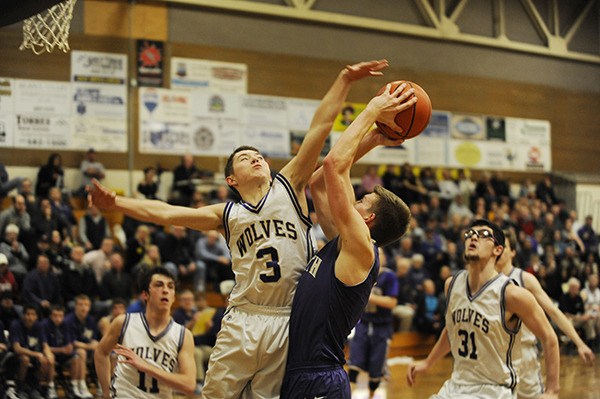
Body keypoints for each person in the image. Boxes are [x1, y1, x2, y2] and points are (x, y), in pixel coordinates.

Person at [88, 59, 391, 398]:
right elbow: (168, 213)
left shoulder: (289, 184)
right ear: (231, 179)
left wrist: (344, 79)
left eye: (259, 155)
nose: (256, 158)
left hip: (285, 320)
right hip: (244, 317)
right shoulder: (226, 213)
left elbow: (320, 128)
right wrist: (117, 204)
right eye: (246, 158)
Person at [280, 82, 414, 398]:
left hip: (320, 377)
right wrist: (374, 138)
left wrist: (372, 110)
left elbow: (332, 165)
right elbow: (319, 184)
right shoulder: (344, 244)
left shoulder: (361, 247)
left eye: (362, 201)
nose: (354, 202)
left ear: (368, 219)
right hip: (300, 372)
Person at [407, 219, 560, 399]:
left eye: (483, 235)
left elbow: (549, 338)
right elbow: (452, 330)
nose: (474, 238)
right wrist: (427, 363)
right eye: (470, 234)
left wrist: (552, 390)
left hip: (494, 389)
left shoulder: (512, 295)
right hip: (456, 385)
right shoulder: (452, 284)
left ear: (498, 250)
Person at [499, 229, 594, 399]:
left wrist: (579, 343)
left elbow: (554, 312)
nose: (497, 250)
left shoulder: (524, 279)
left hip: (524, 356)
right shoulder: (486, 282)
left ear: (512, 251)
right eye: (495, 246)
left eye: (503, 246)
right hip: (497, 356)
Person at [94, 267, 196, 398]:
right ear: (145, 294)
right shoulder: (124, 322)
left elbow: (189, 385)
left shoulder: (183, 335)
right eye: (159, 285)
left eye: (170, 287)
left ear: (174, 296)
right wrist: (106, 392)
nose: (165, 290)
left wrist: (146, 367)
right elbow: (101, 352)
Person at [348, 248, 399, 399]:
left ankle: (371, 395)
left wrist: (368, 296)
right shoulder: (363, 272)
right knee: (354, 365)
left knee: (376, 370)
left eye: (380, 253)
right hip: (363, 324)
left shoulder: (389, 276)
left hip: (381, 327)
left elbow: (392, 302)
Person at [8, 304, 54, 399]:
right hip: (15, 356)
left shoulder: (39, 326)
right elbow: (17, 348)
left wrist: (49, 354)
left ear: (36, 316)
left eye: (33, 314)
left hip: (34, 355)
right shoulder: (16, 325)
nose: (30, 317)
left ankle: (35, 388)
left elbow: (44, 344)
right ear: (23, 315)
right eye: (28, 314)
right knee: (25, 359)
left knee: (46, 360)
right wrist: (37, 354)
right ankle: (19, 389)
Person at [42, 305, 87, 399]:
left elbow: (70, 342)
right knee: (50, 357)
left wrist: (69, 347)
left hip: (64, 354)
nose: (58, 318)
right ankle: (50, 387)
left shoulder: (66, 324)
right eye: (55, 316)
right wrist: (61, 350)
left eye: (60, 316)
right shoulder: (45, 325)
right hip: (52, 353)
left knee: (76, 357)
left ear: (63, 316)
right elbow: (44, 346)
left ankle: (73, 386)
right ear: (50, 316)